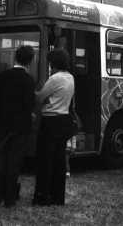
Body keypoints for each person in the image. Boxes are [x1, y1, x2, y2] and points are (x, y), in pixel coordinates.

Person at [0, 46, 35, 208]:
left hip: (3, 126)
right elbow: (30, 105)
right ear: (30, 61)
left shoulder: (2, 76)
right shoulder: (29, 80)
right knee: (14, 163)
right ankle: (9, 199)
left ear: (15, 58)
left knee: (1, 162)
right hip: (21, 127)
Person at [32, 49, 75, 206]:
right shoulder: (70, 77)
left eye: (50, 63)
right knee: (59, 161)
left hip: (50, 121)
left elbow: (40, 97)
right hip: (64, 120)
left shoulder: (54, 78)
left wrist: (32, 92)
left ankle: (42, 196)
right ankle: (58, 197)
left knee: (45, 160)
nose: (49, 66)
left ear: (54, 63)